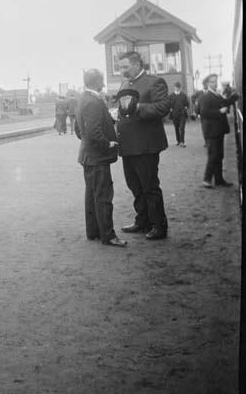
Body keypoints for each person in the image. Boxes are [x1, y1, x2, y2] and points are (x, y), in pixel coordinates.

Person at [116, 51, 170, 240]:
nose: (122, 71)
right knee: (135, 186)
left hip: (146, 145)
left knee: (149, 186)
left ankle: (159, 226)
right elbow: (123, 110)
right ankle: (142, 221)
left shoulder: (155, 82)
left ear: (137, 64)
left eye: (125, 67)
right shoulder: (125, 84)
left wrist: (139, 107)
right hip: (128, 145)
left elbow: (163, 108)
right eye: (120, 67)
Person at [74, 69, 126, 247]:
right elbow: (93, 131)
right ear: (96, 82)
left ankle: (93, 232)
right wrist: (108, 143)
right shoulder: (94, 101)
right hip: (97, 158)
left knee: (91, 196)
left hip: (87, 156)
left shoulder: (82, 99)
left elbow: (78, 129)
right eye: (102, 81)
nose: (103, 84)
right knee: (103, 196)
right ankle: (109, 236)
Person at [199, 74, 235, 189]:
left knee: (220, 155)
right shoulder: (206, 96)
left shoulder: (216, 94)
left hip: (218, 130)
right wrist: (219, 112)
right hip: (211, 131)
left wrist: (235, 96)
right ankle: (206, 179)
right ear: (207, 84)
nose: (215, 83)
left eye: (215, 81)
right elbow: (203, 112)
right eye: (212, 82)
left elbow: (225, 102)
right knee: (213, 154)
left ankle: (219, 180)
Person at [168, 81, 189, 147]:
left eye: (178, 87)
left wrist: (186, 107)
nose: (177, 88)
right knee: (176, 128)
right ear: (174, 87)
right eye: (176, 87)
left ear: (180, 88)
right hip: (175, 114)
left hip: (182, 114)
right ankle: (178, 141)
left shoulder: (183, 95)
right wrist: (170, 108)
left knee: (182, 128)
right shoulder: (171, 96)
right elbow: (168, 104)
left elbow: (187, 104)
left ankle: (182, 142)